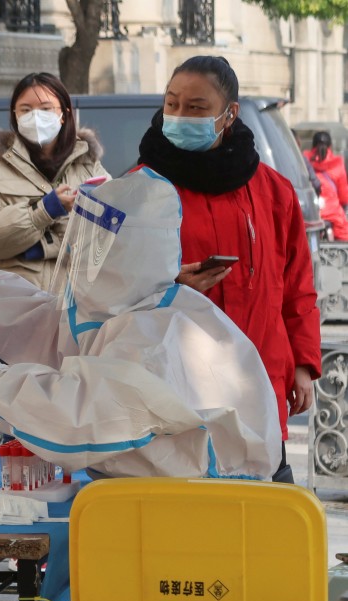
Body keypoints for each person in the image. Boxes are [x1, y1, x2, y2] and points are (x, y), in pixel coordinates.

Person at [0, 168, 282, 479]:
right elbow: (41, 322)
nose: (77, 252)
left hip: (207, 509)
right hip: (169, 497)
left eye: (92, 243)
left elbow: (82, 414)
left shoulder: (157, 335)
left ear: (127, 252)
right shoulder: (135, 308)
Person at [137, 55, 321, 482]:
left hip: (261, 381)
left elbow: (296, 284)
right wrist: (168, 283)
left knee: (263, 523)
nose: (179, 115)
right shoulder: (140, 188)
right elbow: (110, 289)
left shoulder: (273, 191)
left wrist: (303, 362)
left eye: (196, 107)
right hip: (177, 391)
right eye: (172, 104)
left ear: (229, 114)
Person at [0, 72, 109, 289]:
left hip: (76, 305)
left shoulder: (89, 165)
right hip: (13, 303)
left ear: (63, 113)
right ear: (15, 115)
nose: (35, 116)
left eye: (45, 108)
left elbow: (112, 232)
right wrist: (46, 210)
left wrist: (39, 247)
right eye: (25, 109)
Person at [305, 130, 348, 241]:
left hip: (312, 213)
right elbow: (344, 195)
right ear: (330, 146)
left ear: (313, 145)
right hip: (333, 214)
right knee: (344, 237)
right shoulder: (337, 163)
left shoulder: (305, 161)